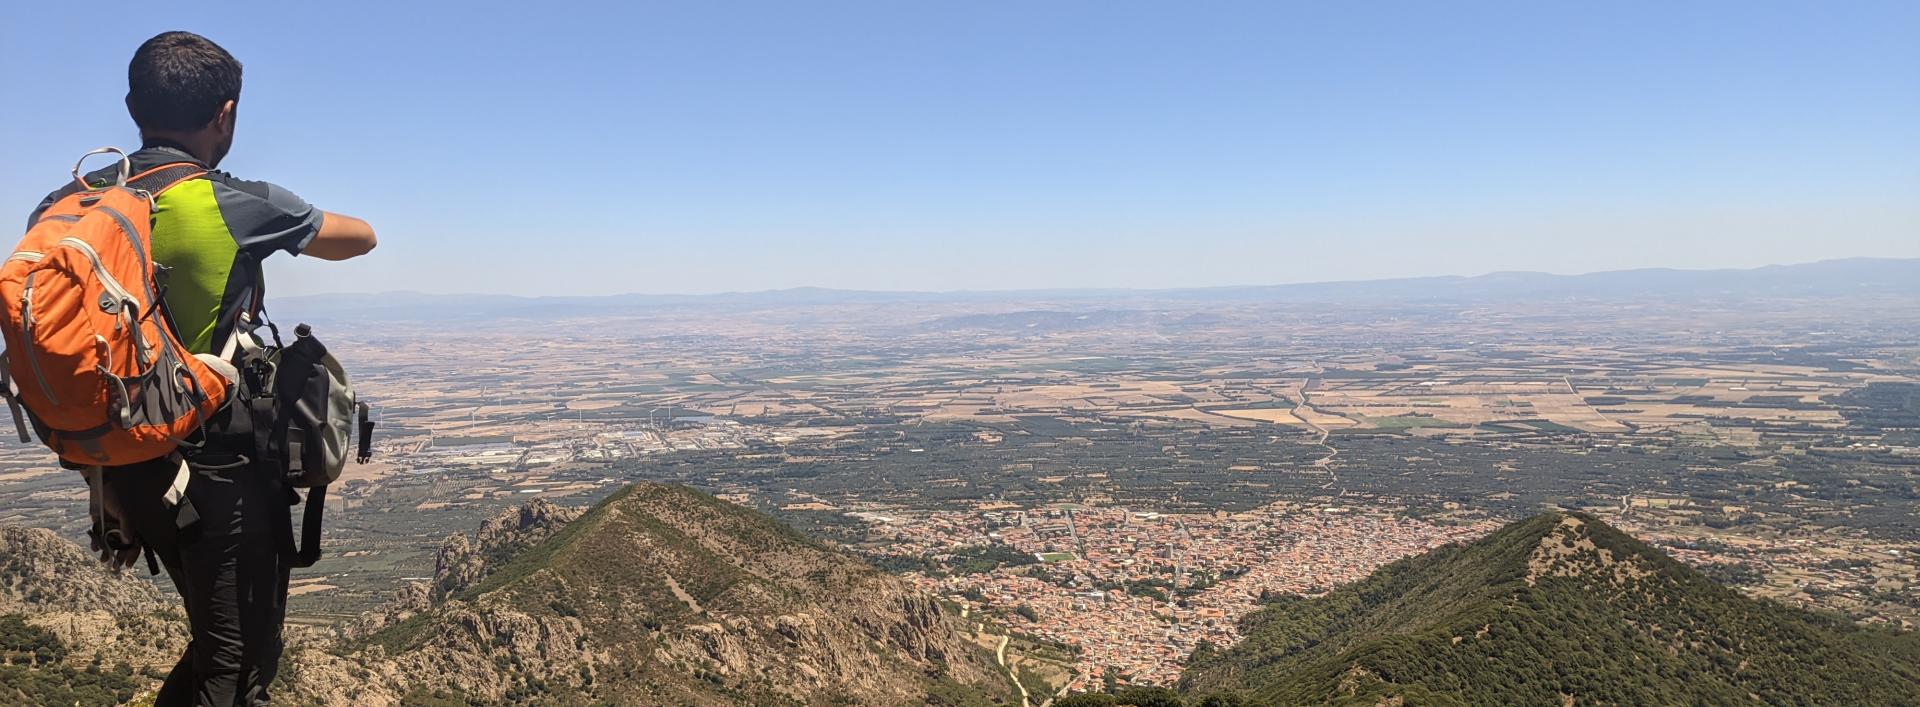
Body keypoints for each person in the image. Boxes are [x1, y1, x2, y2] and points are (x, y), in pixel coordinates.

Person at [25, 31, 377, 706]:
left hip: (125, 468)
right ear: (227, 114)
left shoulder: (68, 204)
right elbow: (358, 238)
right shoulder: (227, 200)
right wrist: (286, 216)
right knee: (238, 661)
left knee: (222, 644)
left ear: (133, 106)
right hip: (219, 474)